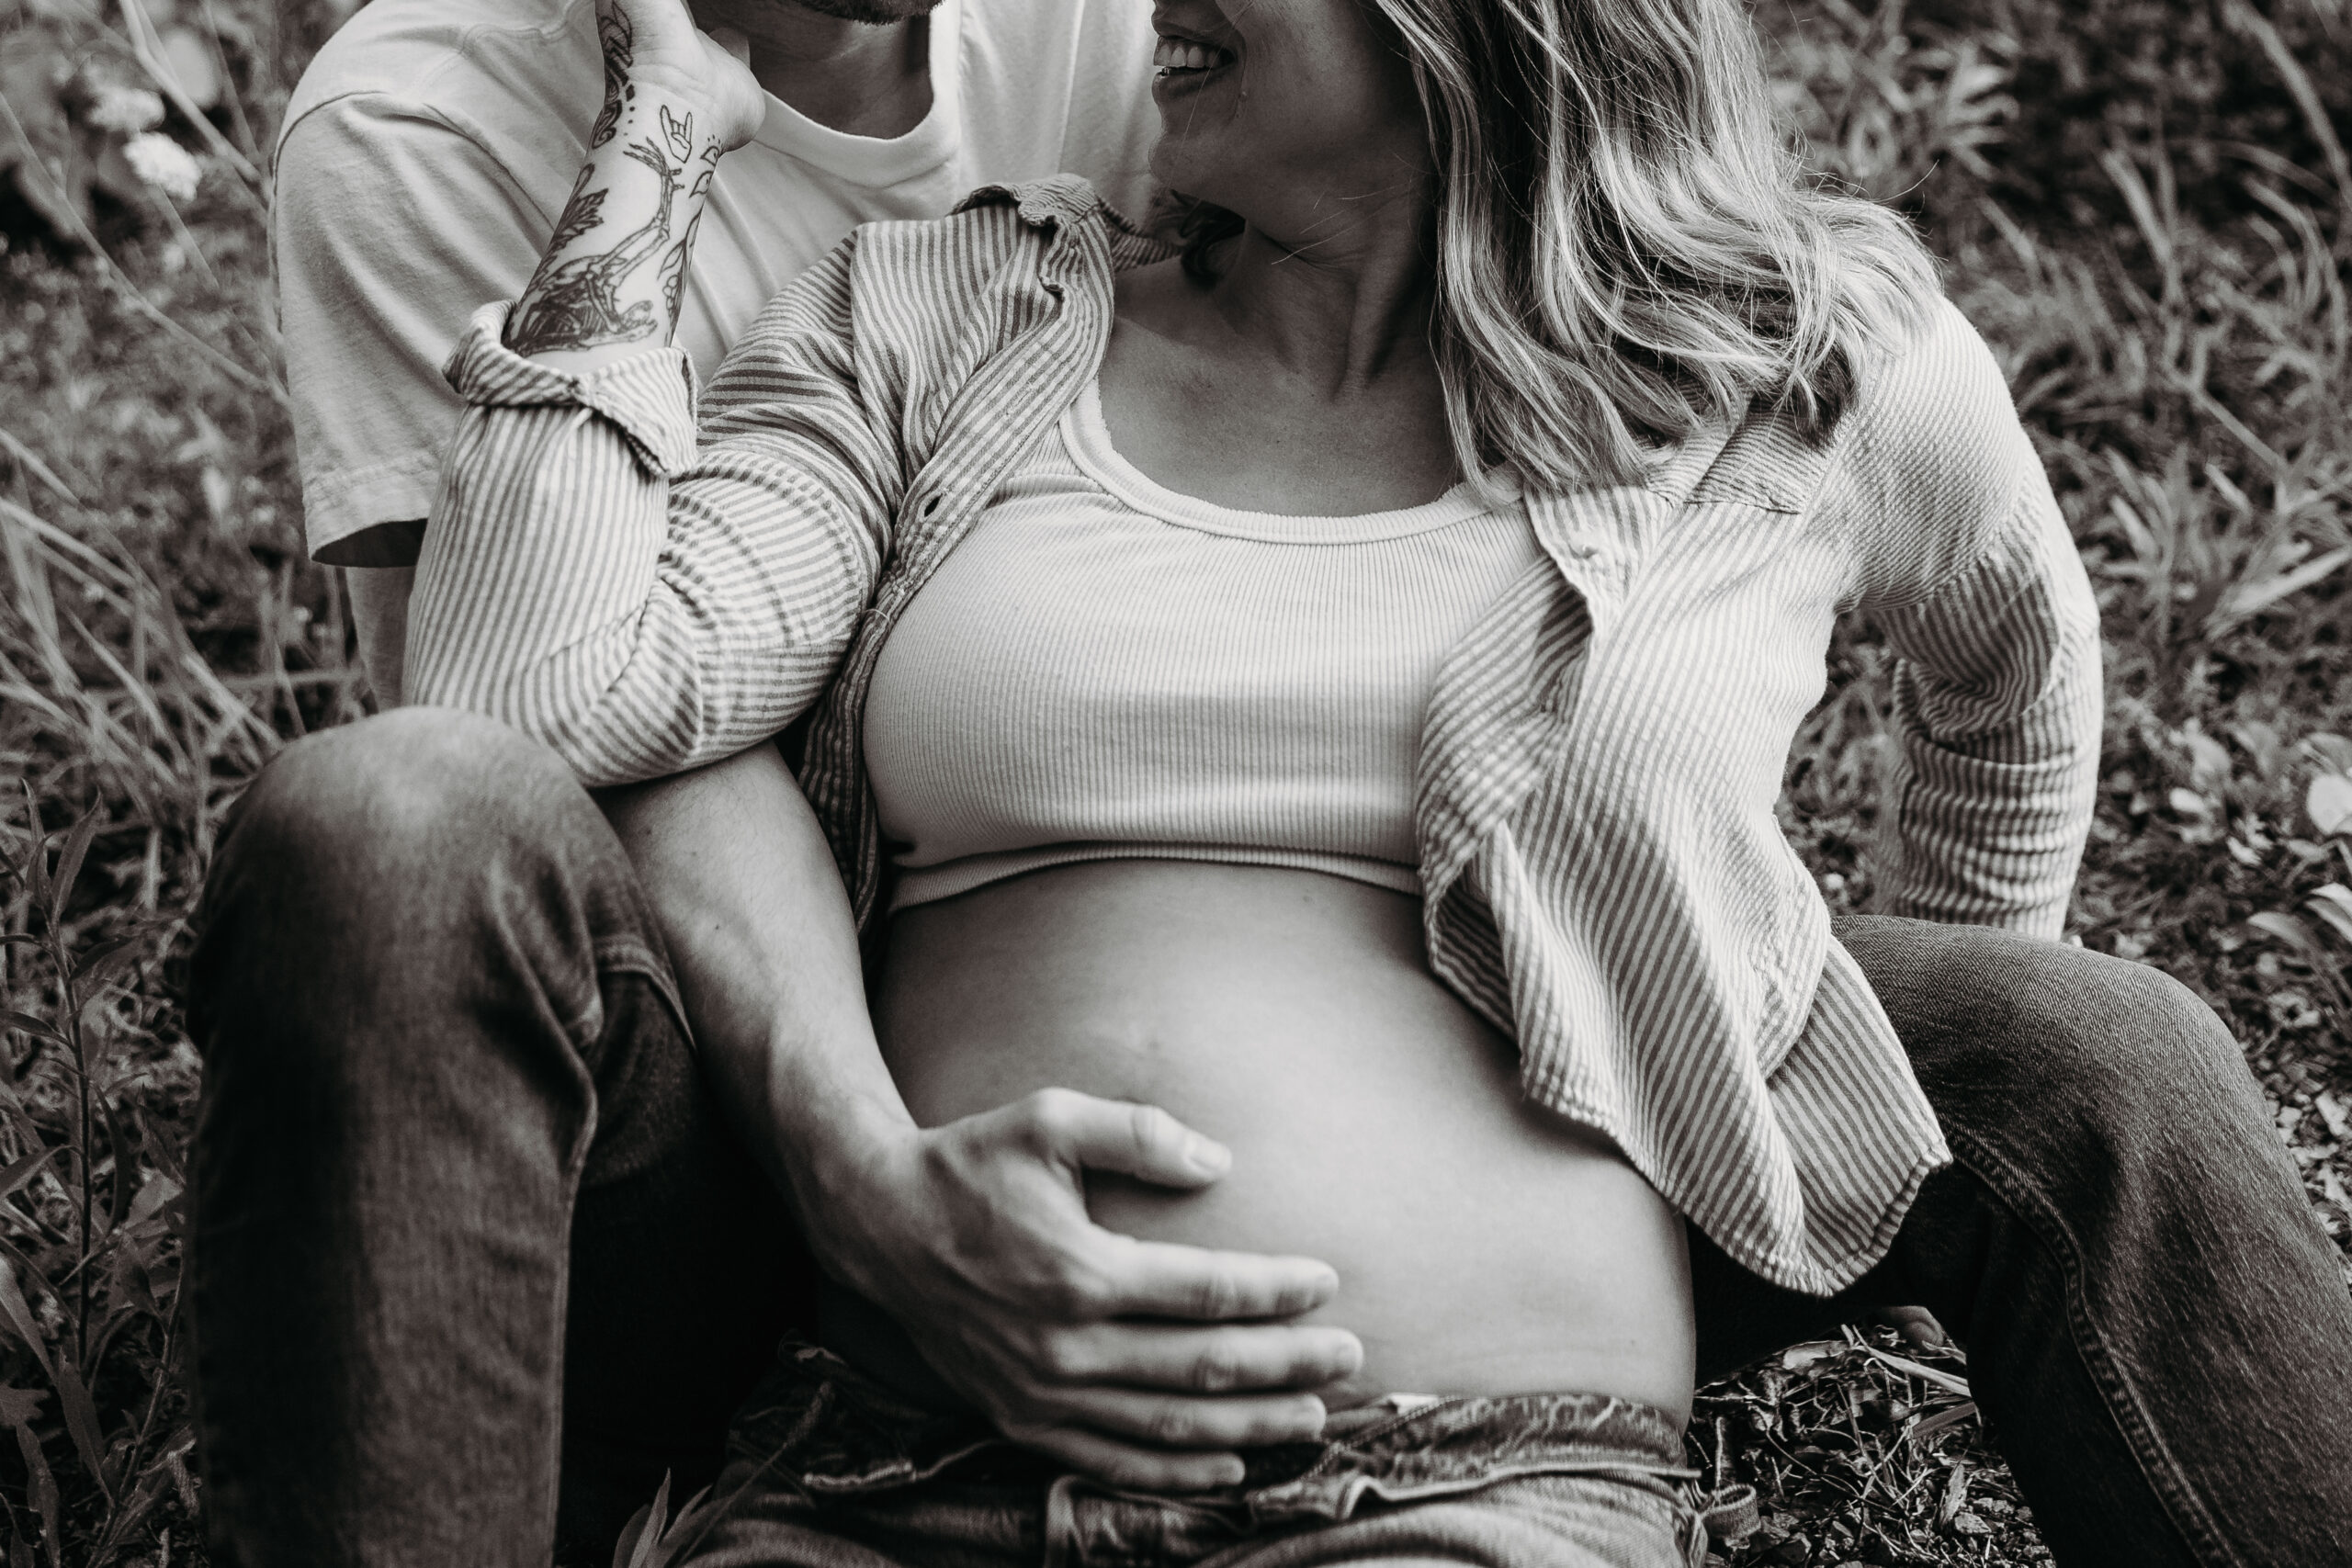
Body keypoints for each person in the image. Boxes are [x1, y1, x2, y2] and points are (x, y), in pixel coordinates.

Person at [186, 1, 2352, 1567]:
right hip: (904, 1455)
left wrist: (1767, 1091)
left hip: (1458, 1484)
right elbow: (528, 696)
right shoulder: (933, 308)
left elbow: (2011, 644)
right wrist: (657, 136)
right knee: (379, 810)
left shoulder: (1800, 349)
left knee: (2105, 1048)